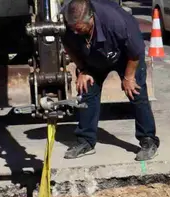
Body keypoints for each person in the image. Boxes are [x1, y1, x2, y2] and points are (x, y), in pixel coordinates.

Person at [61, 0, 160, 162]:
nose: (75, 32)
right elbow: (70, 48)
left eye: (78, 28)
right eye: (72, 29)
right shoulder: (67, 23)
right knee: (86, 90)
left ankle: (148, 140)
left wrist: (128, 77)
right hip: (93, 56)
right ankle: (85, 140)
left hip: (125, 55)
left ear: (90, 18)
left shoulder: (116, 22)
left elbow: (136, 52)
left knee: (136, 92)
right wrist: (83, 70)